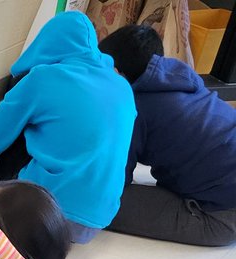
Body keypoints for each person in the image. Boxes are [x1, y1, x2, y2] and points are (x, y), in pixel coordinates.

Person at [0, 10, 135, 244]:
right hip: (96, 220)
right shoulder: (123, 87)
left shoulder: (41, 78)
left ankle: (14, 202)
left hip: (42, 214)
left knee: (18, 127)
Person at [98, 25, 236, 247]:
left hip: (222, 217)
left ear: (117, 73)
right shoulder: (181, 78)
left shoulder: (133, 109)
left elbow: (115, 179)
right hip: (225, 186)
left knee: (97, 205)